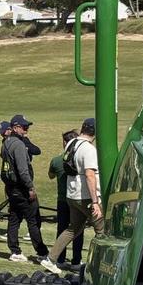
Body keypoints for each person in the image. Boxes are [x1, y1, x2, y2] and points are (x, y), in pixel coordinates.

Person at [41, 118, 104, 275]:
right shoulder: (89, 150)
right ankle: (98, 267)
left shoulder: (71, 143)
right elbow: (90, 175)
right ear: (96, 132)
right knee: (102, 231)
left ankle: (50, 259)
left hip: (71, 195)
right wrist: (95, 201)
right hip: (86, 197)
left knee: (72, 229)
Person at [0, 114, 49, 263]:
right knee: (33, 219)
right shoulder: (19, 145)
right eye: (24, 127)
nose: (26, 130)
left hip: (11, 187)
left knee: (14, 218)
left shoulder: (6, 142)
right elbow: (23, 170)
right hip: (21, 188)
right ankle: (42, 253)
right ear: (15, 128)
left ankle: (14, 250)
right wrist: (30, 188)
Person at [47, 130, 84, 266]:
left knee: (62, 229)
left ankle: (60, 259)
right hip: (77, 199)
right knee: (77, 230)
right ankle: (76, 260)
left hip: (62, 200)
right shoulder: (81, 159)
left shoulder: (56, 161)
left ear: (65, 142)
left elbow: (50, 175)